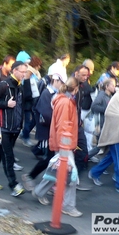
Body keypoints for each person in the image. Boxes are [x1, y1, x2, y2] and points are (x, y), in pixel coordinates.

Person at [32, 77, 82, 217]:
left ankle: (39, 191)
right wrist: (65, 146)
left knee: (58, 172)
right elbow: (63, 126)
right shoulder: (66, 102)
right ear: (75, 89)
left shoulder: (62, 100)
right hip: (64, 144)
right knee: (70, 175)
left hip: (61, 143)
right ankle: (68, 206)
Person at [0, 61, 32, 197]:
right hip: (3, 128)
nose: (24, 74)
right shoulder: (3, 85)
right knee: (8, 156)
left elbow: (23, 105)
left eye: (25, 72)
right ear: (14, 71)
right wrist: (6, 104)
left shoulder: (20, 87)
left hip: (15, 128)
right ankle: (14, 185)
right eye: (22, 72)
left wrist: (20, 125)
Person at [22, 69, 66, 202]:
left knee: (51, 159)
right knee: (49, 159)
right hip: (47, 131)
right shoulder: (47, 93)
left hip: (52, 131)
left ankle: (43, 184)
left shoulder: (55, 93)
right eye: (61, 82)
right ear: (56, 80)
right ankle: (32, 179)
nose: (62, 85)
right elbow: (46, 114)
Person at [20, 56, 43, 147]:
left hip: (31, 99)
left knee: (31, 119)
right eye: (39, 65)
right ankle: (25, 137)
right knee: (29, 119)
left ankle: (24, 134)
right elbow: (26, 85)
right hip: (28, 99)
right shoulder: (29, 72)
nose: (39, 67)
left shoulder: (33, 71)